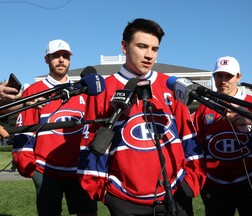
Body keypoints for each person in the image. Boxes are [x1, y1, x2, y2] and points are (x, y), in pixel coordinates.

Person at [77, 18, 206, 216]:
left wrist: (190, 183)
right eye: (142, 46)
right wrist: (104, 192)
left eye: (154, 49)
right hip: (124, 201)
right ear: (124, 46)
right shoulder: (104, 90)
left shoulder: (172, 87)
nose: (148, 55)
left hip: (176, 195)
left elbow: (189, 137)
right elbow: (90, 144)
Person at [193, 56, 252, 216]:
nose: (223, 81)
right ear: (213, 76)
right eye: (219, 75)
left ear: (239, 77)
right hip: (216, 185)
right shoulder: (204, 108)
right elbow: (197, 144)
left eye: (228, 76)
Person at [12, 39, 97, 216]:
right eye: (56, 56)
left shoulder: (81, 90)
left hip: (79, 170)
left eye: (65, 56)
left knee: (88, 212)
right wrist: (28, 165)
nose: (61, 60)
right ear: (46, 59)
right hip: (46, 170)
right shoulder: (35, 91)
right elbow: (23, 129)